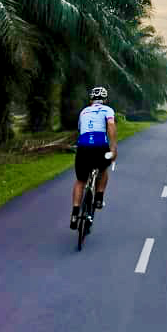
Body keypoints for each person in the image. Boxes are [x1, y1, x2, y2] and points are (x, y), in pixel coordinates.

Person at [70, 85, 118, 230]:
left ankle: (75, 213)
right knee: (103, 169)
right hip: (99, 146)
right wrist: (113, 147)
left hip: (83, 147)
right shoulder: (108, 110)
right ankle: (98, 198)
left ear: (91, 99)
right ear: (105, 99)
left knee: (80, 181)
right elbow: (111, 125)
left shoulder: (83, 111)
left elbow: (80, 130)